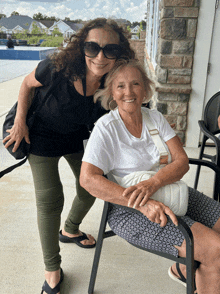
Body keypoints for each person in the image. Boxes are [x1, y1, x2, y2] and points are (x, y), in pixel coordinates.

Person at [3, 18, 135, 294]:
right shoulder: (56, 68)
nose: (100, 56)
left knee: (90, 188)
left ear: (119, 53)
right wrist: (20, 122)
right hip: (39, 135)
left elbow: (126, 109)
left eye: (110, 50)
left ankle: (70, 230)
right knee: (51, 199)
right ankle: (52, 268)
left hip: (75, 138)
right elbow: (27, 85)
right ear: (81, 47)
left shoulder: (111, 82)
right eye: (93, 47)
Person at [80, 59, 220, 294]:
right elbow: (88, 179)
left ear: (145, 89)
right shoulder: (106, 128)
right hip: (129, 209)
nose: (129, 92)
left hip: (171, 192)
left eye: (135, 84)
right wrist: (143, 203)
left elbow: (182, 161)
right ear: (112, 92)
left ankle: (184, 271)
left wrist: (154, 182)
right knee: (215, 249)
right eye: (121, 86)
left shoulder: (154, 118)